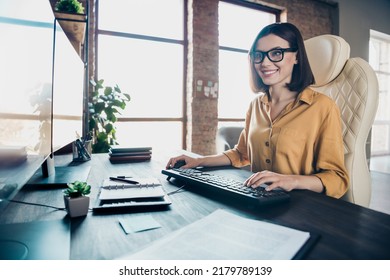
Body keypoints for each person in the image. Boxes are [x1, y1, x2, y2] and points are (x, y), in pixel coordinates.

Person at [166, 22, 349, 198]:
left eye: (276, 53)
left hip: (302, 205)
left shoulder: (323, 107)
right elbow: (240, 154)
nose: (265, 63)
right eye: (258, 55)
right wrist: (198, 161)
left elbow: (337, 179)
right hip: (261, 199)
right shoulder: (256, 106)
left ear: (297, 56)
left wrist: (291, 180)